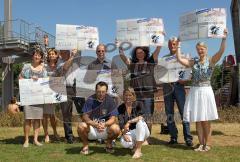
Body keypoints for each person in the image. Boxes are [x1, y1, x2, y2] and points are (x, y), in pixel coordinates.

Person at [176, 29, 228, 151]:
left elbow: (221, 51)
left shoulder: (211, 60)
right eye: (198, 48)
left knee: (205, 119)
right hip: (195, 91)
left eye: (202, 48)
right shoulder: (193, 62)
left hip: (205, 91)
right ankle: (200, 143)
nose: (200, 50)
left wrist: (224, 38)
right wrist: (178, 45)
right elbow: (179, 59)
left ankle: (208, 144)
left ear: (206, 49)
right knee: (198, 119)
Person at [119, 44, 162, 141]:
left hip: (148, 94)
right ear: (135, 54)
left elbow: (157, 50)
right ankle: (137, 135)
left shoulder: (150, 62)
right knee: (138, 116)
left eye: (142, 52)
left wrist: (160, 39)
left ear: (145, 53)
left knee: (147, 116)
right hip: (136, 95)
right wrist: (120, 47)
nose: (140, 54)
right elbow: (123, 57)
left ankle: (147, 138)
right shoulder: (132, 64)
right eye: (137, 53)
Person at [162, 37, 193, 146]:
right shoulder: (164, 58)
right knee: (169, 113)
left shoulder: (184, 56)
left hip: (179, 86)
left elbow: (189, 71)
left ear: (178, 44)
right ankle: (173, 137)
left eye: (174, 44)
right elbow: (160, 73)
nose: (172, 46)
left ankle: (188, 138)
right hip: (167, 87)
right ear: (168, 45)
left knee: (183, 112)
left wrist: (184, 80)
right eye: (170, 44)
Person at [77, 81, 120, 155]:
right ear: (95, 91)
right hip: (92, 129)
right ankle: (85, 145)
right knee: (81, 126)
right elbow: (85, 116)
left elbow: (113, 118)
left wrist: (104, 124)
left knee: (116, 129)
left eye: (103, 92)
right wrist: (93, 124)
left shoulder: (110, 100)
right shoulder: (90, 99)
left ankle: (108, 143)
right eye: (99, 91)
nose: (101, 94)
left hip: (105, 128)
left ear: (106, 91)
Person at [19, 49, 47, 148]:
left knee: (37, 119)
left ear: (41, 58)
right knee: (27, 119)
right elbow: (20, 78)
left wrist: (38, 80)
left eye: (39, 55)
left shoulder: (43, 69)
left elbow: (45, 82)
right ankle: (26, 140)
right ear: (33, 56)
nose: (37, 57)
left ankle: (35, 140)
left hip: (39, 97)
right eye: (35, 55)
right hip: (27, 97)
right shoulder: (26, 66)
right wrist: (29, 80)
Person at [118, 87, 150, 159]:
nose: (128, 97)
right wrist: (124, 133)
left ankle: (138, 150)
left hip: (143, 131)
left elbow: (141, 117)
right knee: (125, 143)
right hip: (131, 132)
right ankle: (137, 143)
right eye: (126, 95)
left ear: (133, 96)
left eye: (130, 95)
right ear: (123, 96)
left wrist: (129, 122)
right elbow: (121, 124)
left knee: (140, 122)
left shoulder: (139, 104)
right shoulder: (120, 107)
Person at [58, 49, 78, 144]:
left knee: (83, 112)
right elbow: (65, 68)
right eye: (62, 52)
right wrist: (72, 56)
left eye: (66, 51)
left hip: (76, 88)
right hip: (65, 88)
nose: (63, 53)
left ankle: (87, 134)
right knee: (66, 114)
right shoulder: (59, 62)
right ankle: (69, 136)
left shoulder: (75, 59)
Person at [42, 48, 60, 143]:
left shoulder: (59, 65)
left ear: (56, 55)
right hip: (44, 92)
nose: (52, 55)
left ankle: (55, 132)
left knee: (52, 115)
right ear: (48, 56)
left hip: (54, 93)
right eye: (50, 54)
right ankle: (46, 135)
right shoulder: (44, 66)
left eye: (53, 54)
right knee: (44, 115)